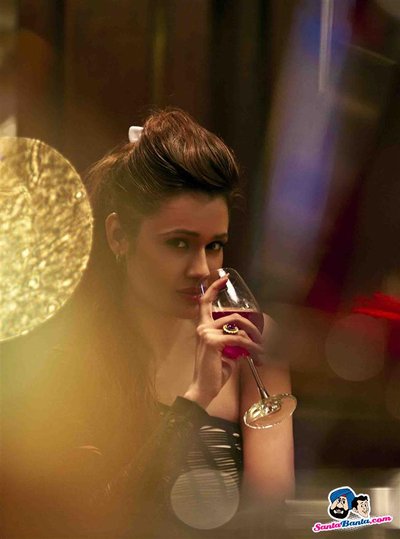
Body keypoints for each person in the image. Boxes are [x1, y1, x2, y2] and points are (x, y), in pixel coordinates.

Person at [0, 108, 294, 538]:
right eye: (179, 244)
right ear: (119, 236)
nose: (202, 268)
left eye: (215, 245)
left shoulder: (248, 339)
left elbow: (271, 513)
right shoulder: (71, 359)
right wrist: (196, 400)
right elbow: (88, 523)